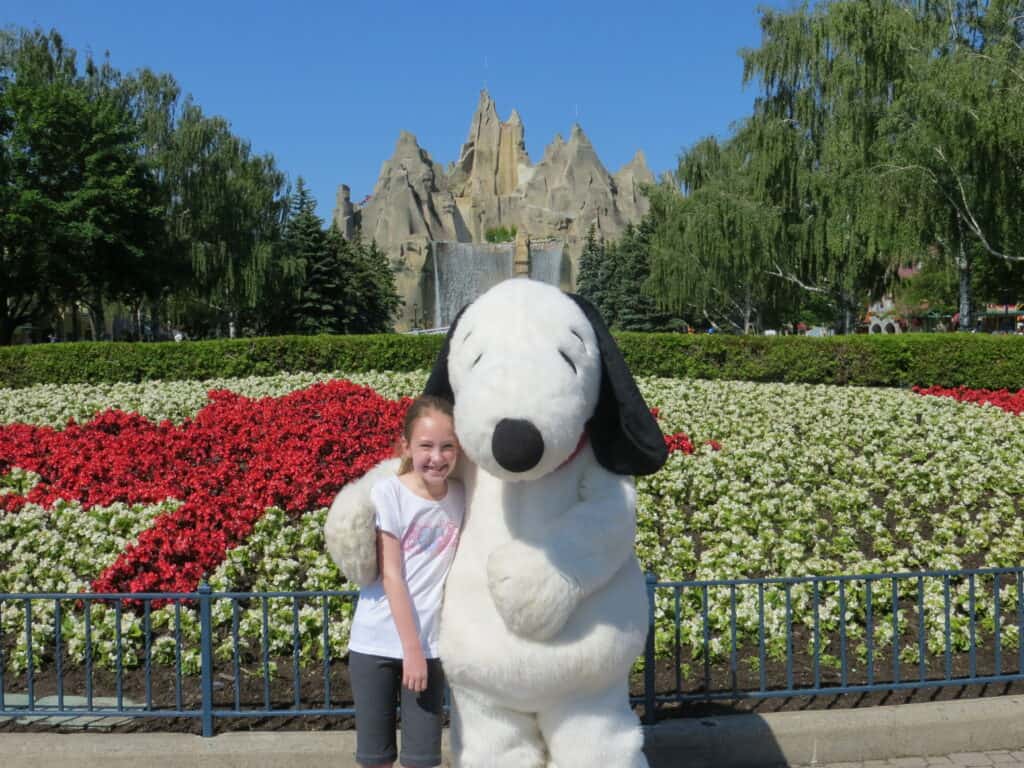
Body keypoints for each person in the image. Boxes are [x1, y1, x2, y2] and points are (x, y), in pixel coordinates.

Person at [347, 395, 465, 768]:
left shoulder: (461, 495)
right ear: (406, 447)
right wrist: (410, 650)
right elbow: (393, 576)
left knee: (421, 760)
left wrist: (422, 651)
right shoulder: (391, 492)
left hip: (429, 647)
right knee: (376, 758)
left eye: (448, 446)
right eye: (426, 446)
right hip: (377, 643)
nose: (437, 456)